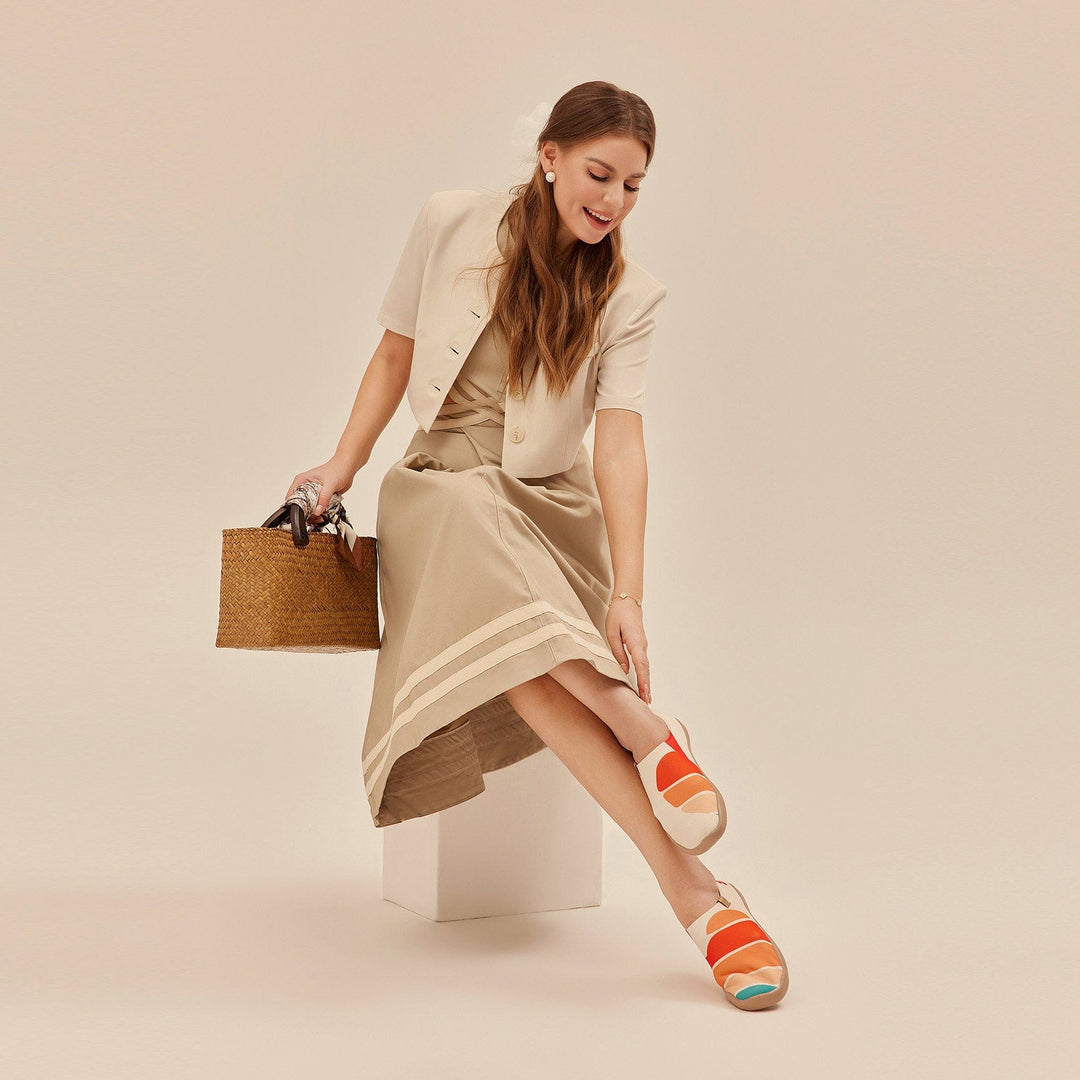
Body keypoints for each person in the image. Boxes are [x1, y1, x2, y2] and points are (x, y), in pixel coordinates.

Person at [285, 80, 789, 1010]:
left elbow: (621, 443)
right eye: (600, 174)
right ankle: (650, 743)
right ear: (549, 156)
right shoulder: (448, 222)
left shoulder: (631, 294)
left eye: (633, 185)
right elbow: (394, 354)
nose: (614, 200)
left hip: (546, 511)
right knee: (470, 523)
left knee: (526, 667)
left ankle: (697, 896)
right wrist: (340, 468)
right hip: (440, 489)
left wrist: (628, 593)